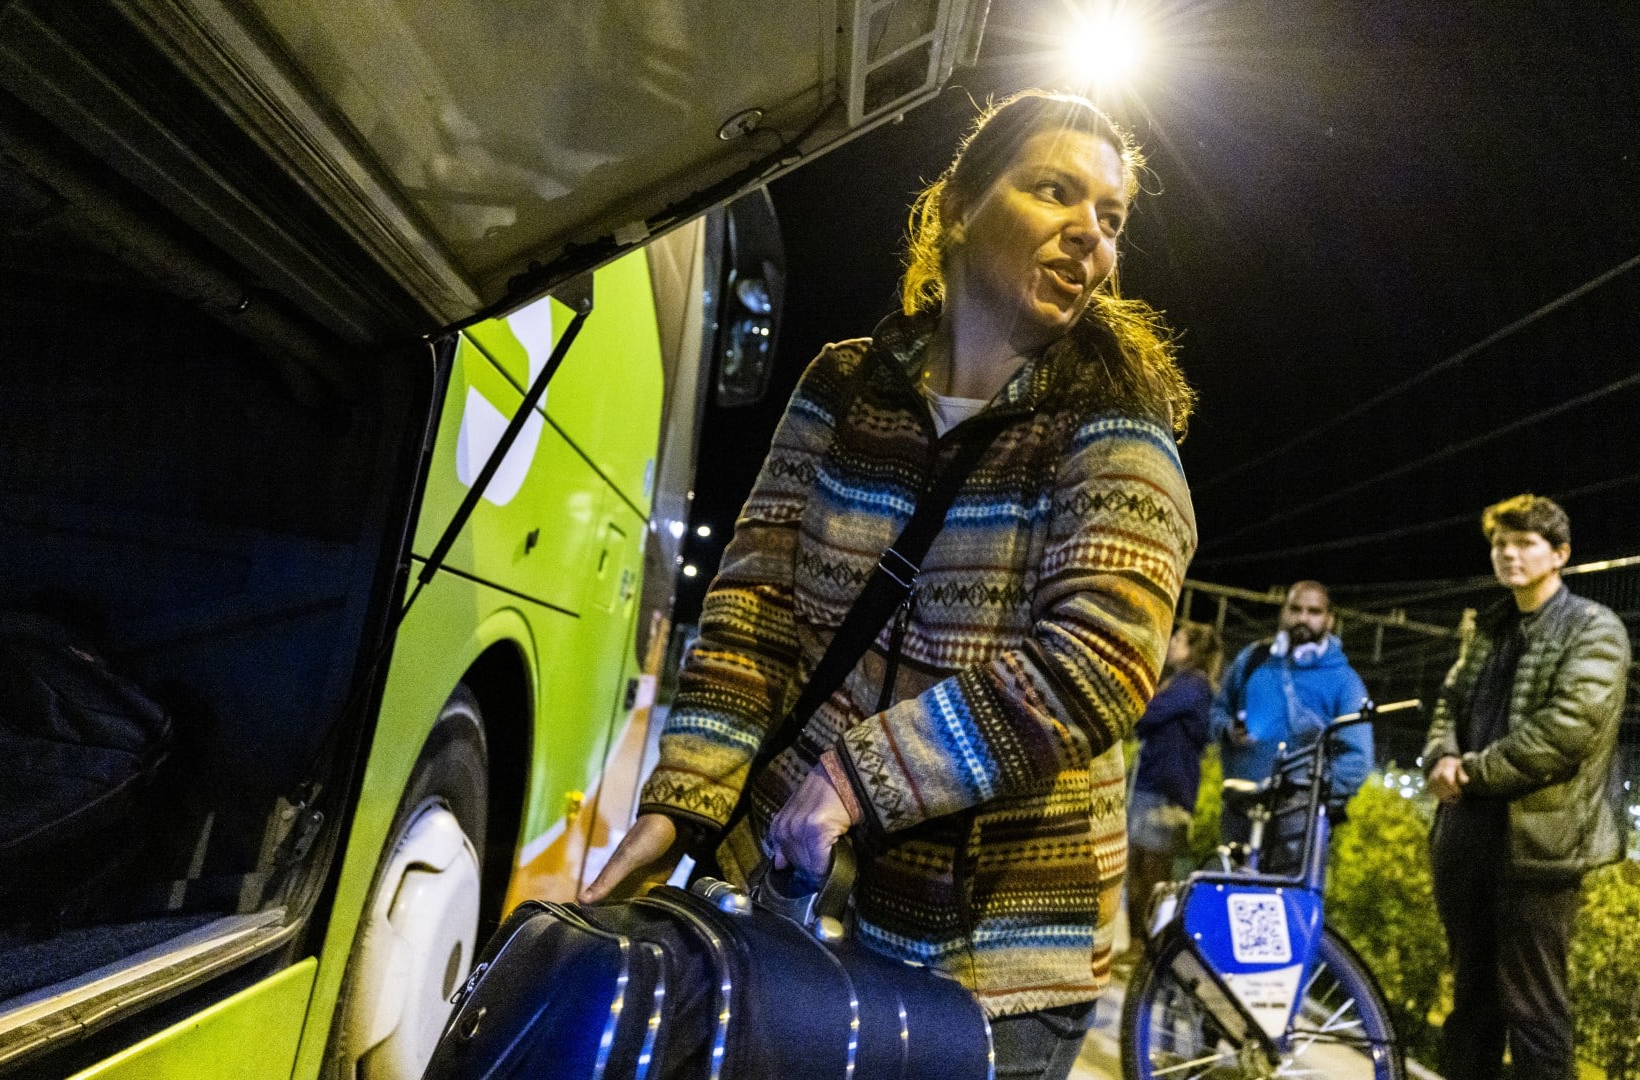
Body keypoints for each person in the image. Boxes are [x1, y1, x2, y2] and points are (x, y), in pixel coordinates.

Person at [581, 90, 1197, 1079]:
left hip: (996, 969)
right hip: (796, 897)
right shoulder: (841, 386)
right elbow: (752, 609)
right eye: (1054, 192)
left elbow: (1104, 660)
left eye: (1111, 217)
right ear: (956, 209)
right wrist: (686, 800)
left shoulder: (1113, 428)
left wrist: (856, 778)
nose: (1090, 232)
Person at [1423, 495, 1628, 1080]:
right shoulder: (1488, 628)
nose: (1508, 555)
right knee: (1471, 1003)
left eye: (1525, 544)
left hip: (1539, 850)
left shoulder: (1594, 628)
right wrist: (1440, 753)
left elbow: (1568, 729)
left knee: (1534, 1010)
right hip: (1465, 837)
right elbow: (1448, 702)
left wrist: (1472, 770)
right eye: (1499, 545)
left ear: (1560, 554)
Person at [1208, 580, 1372, 850]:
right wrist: (1227, 730)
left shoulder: (1345, 682)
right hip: (1240, 813)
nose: (1303, 618)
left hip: (1300, 827)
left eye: (1314, 611)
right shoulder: (1253, 659)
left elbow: (1358, 758)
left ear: (1329, 621)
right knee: (1233, 889)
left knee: (1286, 892)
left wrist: (1311, 798)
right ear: (1283, 612)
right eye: (1295, 609)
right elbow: (1217, 710)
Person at [1124, 621, 1221, 956]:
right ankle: (1140, 945)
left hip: (1166, 791)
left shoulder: (1193, 685)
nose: (1171, 644)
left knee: (1153, 874)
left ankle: (1152, 949)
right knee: (1137, 869)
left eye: (1178, 639)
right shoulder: (1180, 683)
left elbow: (1147, 714)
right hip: (1153, 785)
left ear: (1195, 650)